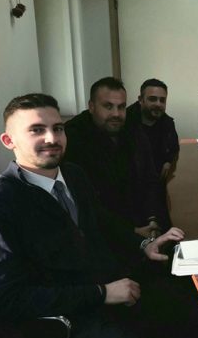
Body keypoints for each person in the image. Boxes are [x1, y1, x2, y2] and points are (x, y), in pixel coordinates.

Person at [0, 93, 191, 338]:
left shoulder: (73, 175)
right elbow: (6, 301)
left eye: (58, 128)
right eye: (36, 130)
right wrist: (100, 293)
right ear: (9, 141)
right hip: (65, 327)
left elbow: (102, 221)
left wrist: (144, 244)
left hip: (109, 297)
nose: (51, 138)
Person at [65, 77, 171, 248]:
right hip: (103, 234)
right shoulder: (74, 138)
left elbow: (150, 178)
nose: (116, 114)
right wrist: (132, 231)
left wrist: (153, 219)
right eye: (108, 106)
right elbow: (86, 203)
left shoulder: (132, 128)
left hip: (141, 220)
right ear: (91, 106)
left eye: (121, 107)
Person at [126, 78, 179, 180]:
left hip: (159, 179)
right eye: (152, 99)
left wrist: (168, 162)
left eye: (162, 100)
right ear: (141, 100)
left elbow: (174, 147)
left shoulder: (167, 122)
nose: (158, 104)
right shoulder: (125, 122)